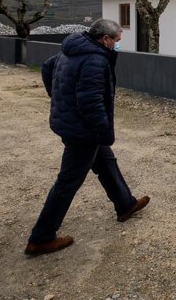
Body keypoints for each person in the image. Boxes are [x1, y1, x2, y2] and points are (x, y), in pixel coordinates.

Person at [25, 19, 149, 256]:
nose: (118, 45)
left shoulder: (72, 49)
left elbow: (47, 67)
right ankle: (41, 237)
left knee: (106, 162)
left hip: (72, 123)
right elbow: (91, 103)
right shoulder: (94, 59)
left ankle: (126, 204)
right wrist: (103, 130)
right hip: (83, 131)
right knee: (67, 182)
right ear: (105, 39)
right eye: (117, 40)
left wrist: (60, 99)